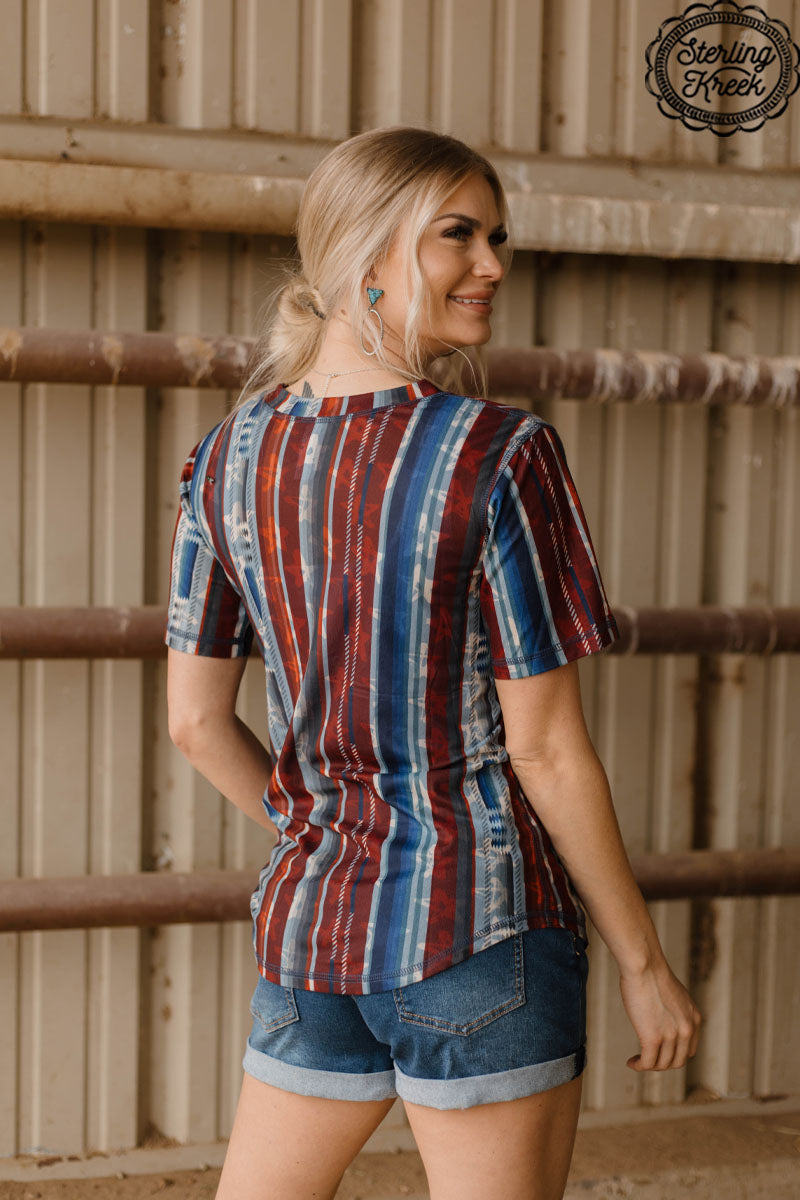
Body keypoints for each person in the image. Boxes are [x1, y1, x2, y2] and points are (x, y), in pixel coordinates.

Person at [165, 126, 701, 1200]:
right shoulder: (498, 454)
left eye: (497, 237)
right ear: (365, 252)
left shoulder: (226, 456)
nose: (492, 264)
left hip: (314, 928)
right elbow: (546, 752)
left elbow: (195, 723)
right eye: (458, 234)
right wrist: (643, 962)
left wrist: (332, 839)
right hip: (480, 928)